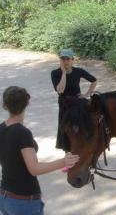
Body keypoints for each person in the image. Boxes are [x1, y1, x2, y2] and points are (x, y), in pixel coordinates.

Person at [0, 86, 79, 215]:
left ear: (5, 105)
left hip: (5, 197)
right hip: (24, 201)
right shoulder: (22, 133)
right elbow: (34, 169)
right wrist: (63, 162)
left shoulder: (1, 128)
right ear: (27, 103)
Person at [51, 49, 97, 150]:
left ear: (72, 60)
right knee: (66, 129)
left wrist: (86, 94)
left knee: (83, 125)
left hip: (78, 102)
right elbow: (60, 90)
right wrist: (63, 73)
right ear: (60, 60)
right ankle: (68, 151)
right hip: (65, 104)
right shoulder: (55, 73)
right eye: (63, 59)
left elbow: (94, 80)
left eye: (68, 59)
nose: (65, 61)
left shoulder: (78, 71)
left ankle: (86, 147)